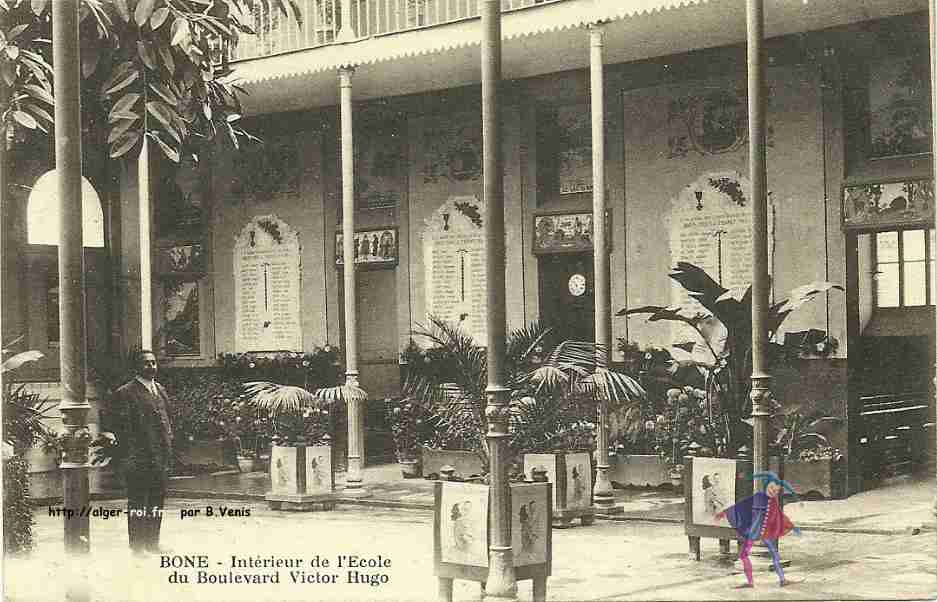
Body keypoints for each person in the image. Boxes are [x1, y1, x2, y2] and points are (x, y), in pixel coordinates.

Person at [102, 350, 175, 554]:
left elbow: (168, 420)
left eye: (153, 363)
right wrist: (130, 457)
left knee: (156, 501)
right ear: (137, 367)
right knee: (138, 502)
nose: (151, 366)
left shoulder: (159, 389)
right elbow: (121, 428)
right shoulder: (125, 393)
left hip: (160, 458)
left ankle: (152, 543)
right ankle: (137, 546)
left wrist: (168, 450)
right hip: (138, 459)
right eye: (146, 363)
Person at [716, 471, 800, 588]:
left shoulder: (773, 502)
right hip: (754, 531)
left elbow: (780, 516)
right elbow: (742, 504)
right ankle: (750, 582)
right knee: (744, 555)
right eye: (771, 488)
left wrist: (792, 526)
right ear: (766, 487)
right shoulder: (758, 496)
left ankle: (782, 580)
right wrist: (725, 512)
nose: (773, 491)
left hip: (766, 533)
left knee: (774, 555)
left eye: (776, 491)